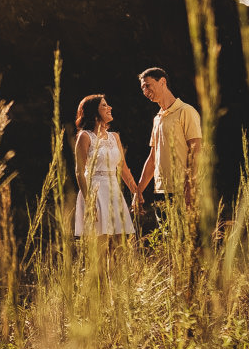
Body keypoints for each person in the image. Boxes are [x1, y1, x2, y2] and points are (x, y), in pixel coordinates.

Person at [132, 67, 202, 222]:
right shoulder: (157, 119)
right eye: (142, 88)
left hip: (183, 190)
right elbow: (152, 158)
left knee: (186, 241)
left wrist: (190, 187)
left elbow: (196, 151)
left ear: (162, 82)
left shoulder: (186, 111)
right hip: (161, 190)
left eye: (148, 85)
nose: (145, 91)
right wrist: (138, 191)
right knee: (167, 238)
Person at [74, 94, 139, 241]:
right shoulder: (84, 136)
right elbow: (79, 172)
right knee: (100, 248)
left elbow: (123, 168)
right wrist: (89, 201)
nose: (109, 108)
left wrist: (136, 192)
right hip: (94, 193)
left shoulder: (114, 136)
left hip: (114, 192)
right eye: (104, 105)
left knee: (119, 246)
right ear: (93, 111)